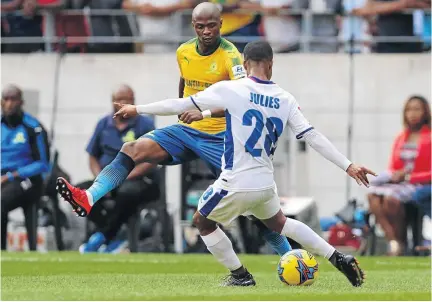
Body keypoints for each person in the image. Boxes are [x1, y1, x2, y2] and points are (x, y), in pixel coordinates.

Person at [112, 40, 373, 287]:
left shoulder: (232, 88)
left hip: (235, 180)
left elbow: (178, 104)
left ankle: (240, 275)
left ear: (245, 64)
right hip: (265, 183)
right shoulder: (286, 99)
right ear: (271, 64)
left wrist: (138, 109)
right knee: (280, 223)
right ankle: (338, 257)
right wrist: (348, 165)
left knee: (202, 222)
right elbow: (312, 136)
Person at [56, 2, 292, 257]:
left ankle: (290, 255)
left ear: (221, 25)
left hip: (221, 137)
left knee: (251, 201)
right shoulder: (184, 51)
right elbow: (185, 80)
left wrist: (201, 112)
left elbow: (244, 101)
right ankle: (88, 198)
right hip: (187, 131)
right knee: (132, 148)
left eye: (212, 25)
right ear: (193, 26)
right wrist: (182, 107)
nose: (206, 31)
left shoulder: (231, 57)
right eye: (200, 26)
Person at [77, 85, 159, 253]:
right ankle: (116, 236)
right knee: (81, 191)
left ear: (134, 101)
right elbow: (92, 156)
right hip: (108, 178)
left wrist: (121, 178)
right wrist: (102, 179)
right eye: (120, 99)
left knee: (126, 193)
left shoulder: (145, 124)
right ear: (113, 102)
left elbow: (152, 159)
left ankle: (102, 237)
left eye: (128, 99)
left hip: (137, 179)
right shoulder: (103, 124)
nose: (124, 103)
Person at [367, 96, 431, 255]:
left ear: (425, 112)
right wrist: (395, 175)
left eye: (417, 109)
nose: (412, 113)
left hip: (419, 183)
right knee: (372, 196)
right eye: (409, 109)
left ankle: (400, 242)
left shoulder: (429, 137)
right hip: (399, 182)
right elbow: (393, 166)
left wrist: (409, 177)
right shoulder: (401, 137)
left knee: (390, 200)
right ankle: (394, 241)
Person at [1, 84, 50, 250]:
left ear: (21, 102)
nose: (9, 104)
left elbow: (43, 164)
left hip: (27, 179)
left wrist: (11, 176)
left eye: (13, 99)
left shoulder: (33, 127)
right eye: (5, 99)